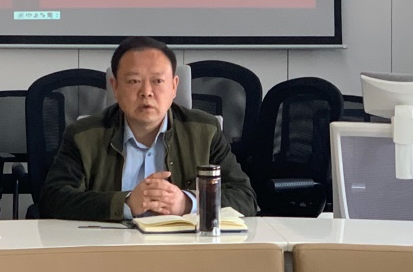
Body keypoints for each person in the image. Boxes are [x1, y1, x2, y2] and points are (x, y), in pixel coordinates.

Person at [38, 36, 256, 221]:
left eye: (158, 81)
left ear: (174, 86)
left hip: (185, 250)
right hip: (110, 249)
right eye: (134, 81)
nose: (146, 92)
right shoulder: (83, 135)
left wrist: (188, 203)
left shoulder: (205, 131)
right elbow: (52, 199)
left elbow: (245, 197)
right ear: (115, 87)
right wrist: (125, 203)